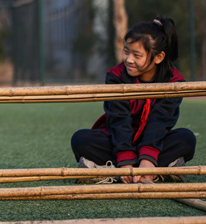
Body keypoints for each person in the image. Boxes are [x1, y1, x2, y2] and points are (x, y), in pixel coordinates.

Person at [71, 16, 196, 184]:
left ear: (158, 57)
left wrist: (148, 159)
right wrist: (125, 161)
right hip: (118, 141)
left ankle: (112, 169)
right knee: (81, 140)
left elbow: (160, 121)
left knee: (186, 139)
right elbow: (118, 120)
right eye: (126, 51)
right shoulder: (116, 76)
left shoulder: (173, 81)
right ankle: (161, 169)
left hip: (154, 142)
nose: (129, 59)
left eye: (137, 55)